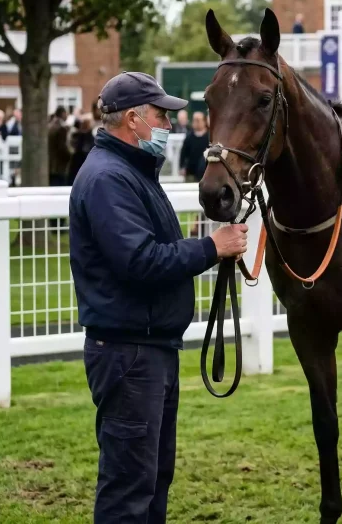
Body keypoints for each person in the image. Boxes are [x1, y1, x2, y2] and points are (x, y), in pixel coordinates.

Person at [69, 72, 249, 523]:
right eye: (161, 116)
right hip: (130, 353)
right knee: (130, 489)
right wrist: (212, 248)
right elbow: (140, 261)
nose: (169, 125)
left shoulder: (130, 172)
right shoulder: (109, 178)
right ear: (133, 119)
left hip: (146, 348)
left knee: (151, 481)